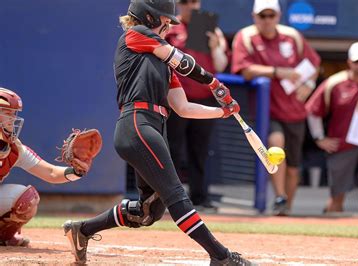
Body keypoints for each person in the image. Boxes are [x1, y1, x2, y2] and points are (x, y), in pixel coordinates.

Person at [62, 0, 253, 265]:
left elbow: (183, 107)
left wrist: (223, 112)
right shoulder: (136, 35)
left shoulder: (161, 62)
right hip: (138, 124)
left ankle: (82, 229)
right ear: (149, 18)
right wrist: (212, 81)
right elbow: (183, 61)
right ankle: (221, 256)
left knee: (147, 211)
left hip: (151, 127)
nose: (168, 26)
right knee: (176, 194)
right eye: (165, 20)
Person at [231, 0, 321, 216]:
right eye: (263, 16)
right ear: (254, 17)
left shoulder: (292, 36)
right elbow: (244, 70)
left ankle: (285, 208)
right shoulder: (246, 37)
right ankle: (279, 196)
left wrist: (309, 85)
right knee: (275, 145)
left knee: (293, 165)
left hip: (295, 110)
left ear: (278, 16)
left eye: (271, 15)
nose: (267, 20)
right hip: (267, 110)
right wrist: (277, 71)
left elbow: (314, 63)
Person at [305, 42, 358, 214]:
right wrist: (319, 138)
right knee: (336, 201)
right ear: (350, 62)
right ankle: (331, 228)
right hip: (341, 144)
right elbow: (313, 110)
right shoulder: (335, 82)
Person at [0, 87, 87, 247]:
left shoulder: (14, 148)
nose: (13, 119)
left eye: (14, 114)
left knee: (27, 198)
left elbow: (51, 173)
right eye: (7, 114)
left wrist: (77, 171)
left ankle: (3, 236)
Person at [165, 0, 228, 212]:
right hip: (176, 96)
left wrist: (215, 47)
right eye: (184, 2)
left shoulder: (213, 30)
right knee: (172, 149)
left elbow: (221, 65)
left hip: (204, 97)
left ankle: (199, 198)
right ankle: (170, 198)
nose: (189, 6)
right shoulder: (170, 27)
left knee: (200, 151)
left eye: (193, 1)